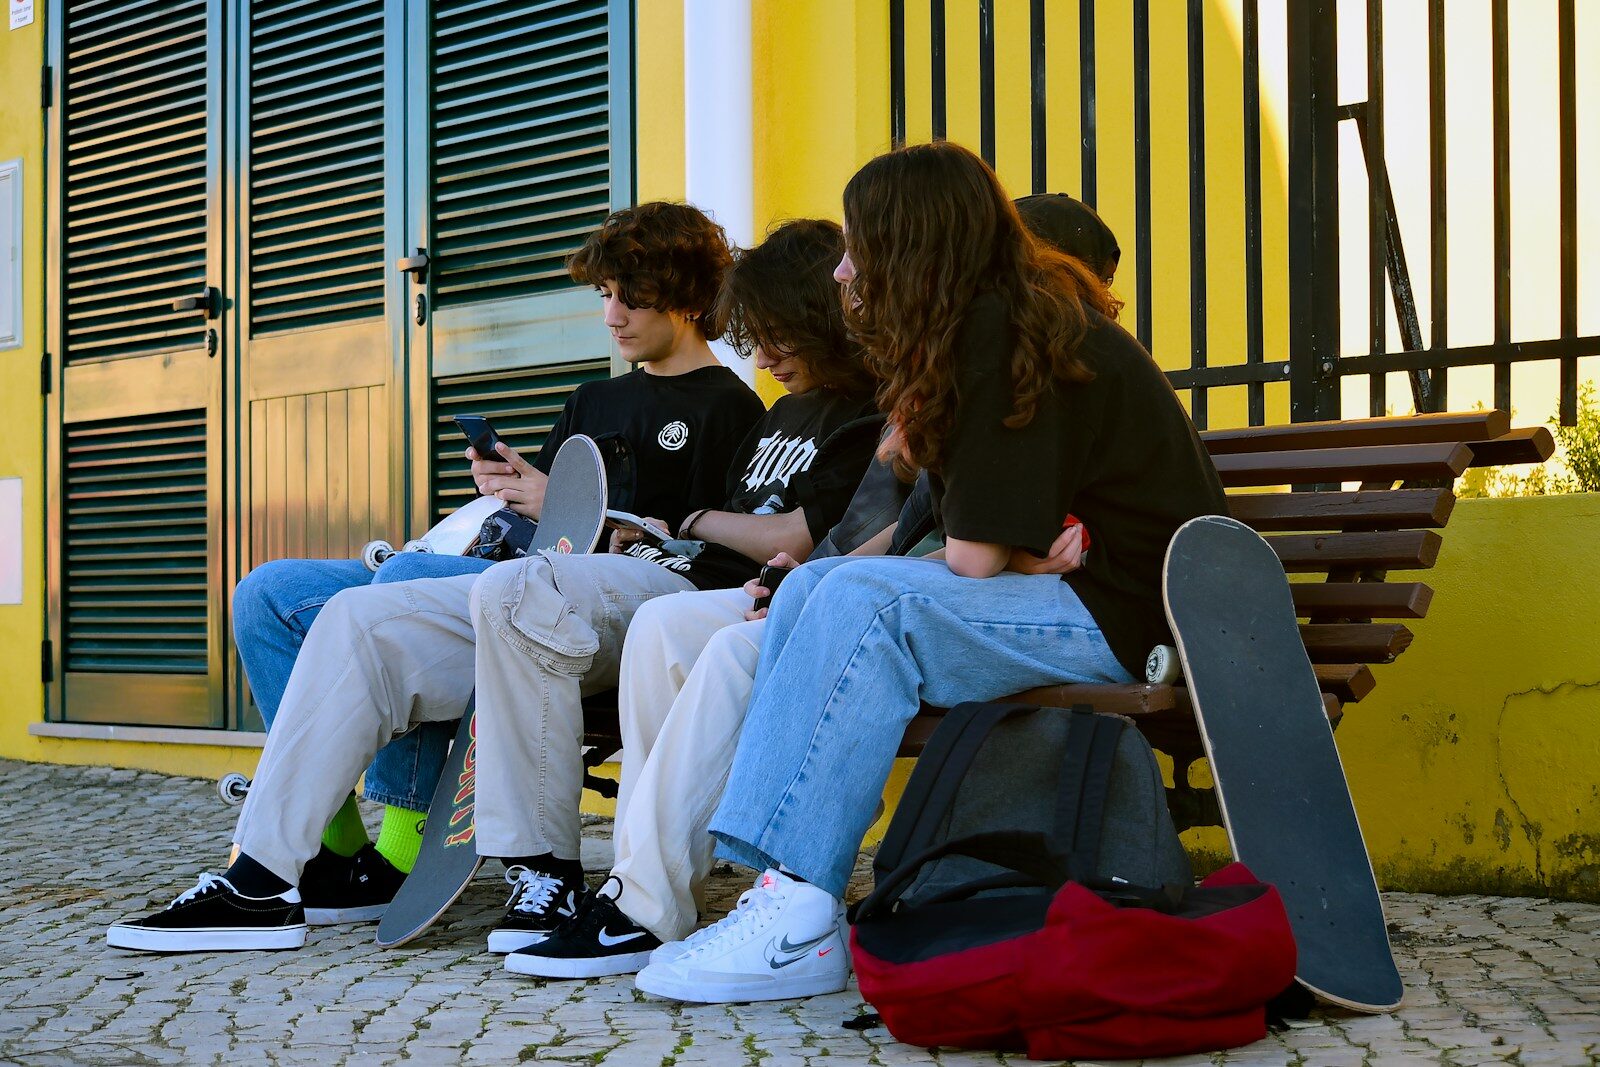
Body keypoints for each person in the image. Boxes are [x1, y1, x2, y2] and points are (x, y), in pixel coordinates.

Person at [105, 219, 881, 954]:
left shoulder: (825, 412)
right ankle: (260, 880)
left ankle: (544, 871)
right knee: (356, 617)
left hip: (668, 589)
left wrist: (675, 519)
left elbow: (792, 538)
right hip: (596, 568)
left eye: (627, 293)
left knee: (515, 592)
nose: (763, 348)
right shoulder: (780, 413)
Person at [631, 142, 1227, 1004]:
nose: (843, 268)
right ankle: (786, 897)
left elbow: (972, 555)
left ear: (911, 243)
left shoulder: (1008, 327)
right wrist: (1024, 548)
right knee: (812, 586)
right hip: (1079, 595)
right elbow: (993, 539)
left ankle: (797, 912)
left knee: (865, 604)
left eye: (859, 246)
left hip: (1137, 622)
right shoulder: (1001, 320)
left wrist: (1017, 549)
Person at [505, 194, 1124, 981]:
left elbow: (997, 544)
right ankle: (649, 893)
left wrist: (827, 563)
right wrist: (819, 568)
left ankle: (775, 902)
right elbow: (921, 530)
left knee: (815, 618)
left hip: (1055, 612)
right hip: (946, 588)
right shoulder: (978, 363)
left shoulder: (1036, 362)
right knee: (698, 630)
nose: (847, 275)